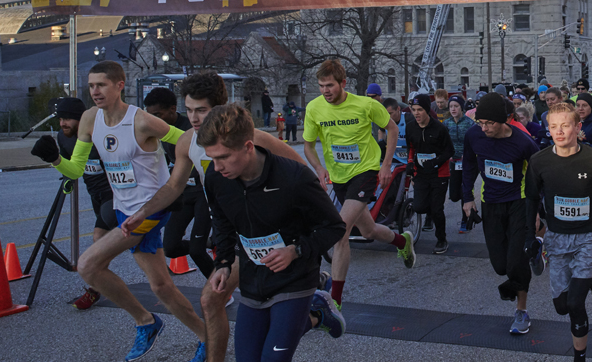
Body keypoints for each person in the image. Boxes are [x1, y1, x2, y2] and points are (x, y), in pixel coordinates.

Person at [122, 71, 305, 362]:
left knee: (230, 301)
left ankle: (311, 304)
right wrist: (142, 212)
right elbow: (172, 186)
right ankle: (313, 306)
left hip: (271, 235)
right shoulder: (186, 142)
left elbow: (301, 173)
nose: (194, 118)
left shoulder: (252, 138)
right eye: (189, 110)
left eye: (201, 111)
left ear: (219, 108)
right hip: (233, 235)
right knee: (214, 300)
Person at [49, 61, 204, 362]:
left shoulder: (142, 121)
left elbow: (185, 138)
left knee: (88, 265)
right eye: (91, 85)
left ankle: (146, 322)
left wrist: (184, 176)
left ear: (120, 85)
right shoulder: (90, 120)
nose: (95, 91)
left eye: (102, 85)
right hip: (123, 209)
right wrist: (54, 158)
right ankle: (207, 336)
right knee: (161, 286)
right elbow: (76, 169)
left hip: (151, 209)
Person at [200, 104, 347, 362]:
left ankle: (312, 307)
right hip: (253, 280)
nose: (216, 166)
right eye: (212, 158)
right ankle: (318, 315)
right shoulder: (215, 178)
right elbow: (222, 222)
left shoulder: (294, 178)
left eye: (223, 157)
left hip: (295, 279)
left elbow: (334, 227)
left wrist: (296, 250)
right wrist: (223, 262)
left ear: (248, 146)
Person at [303, 60, 414, 307]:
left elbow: (392, 130)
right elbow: (308, 145)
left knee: (340, 230)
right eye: (321, 86)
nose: (325, 91)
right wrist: (319, 168)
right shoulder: (314, 108)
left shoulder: (365, 105)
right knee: (368, 230)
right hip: (340, 176)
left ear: (343, 83)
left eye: (330, 85)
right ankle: (402, 241)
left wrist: (385, 165)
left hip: (365, 171)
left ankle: (335, 302)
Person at [525, 102, 592, 361]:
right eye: (553, 127)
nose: (559, 132)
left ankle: (579, 357)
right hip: (557, 239)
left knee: (574, 303)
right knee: (561, 307)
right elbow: (532, 199)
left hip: (590, 238)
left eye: (565, 126)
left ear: (578, 127)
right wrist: (531, 236)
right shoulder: (539, 161)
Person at [461, 92, 540, 334]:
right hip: (491, 202)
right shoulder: (474, 135)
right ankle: (534, 251)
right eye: (480, 123)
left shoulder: (523, 142)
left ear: (503, 121)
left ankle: (522, 311)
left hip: (519, 202)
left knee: (516, 262)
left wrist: (537, 211)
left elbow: (538, 177)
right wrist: (467, 198)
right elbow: (469, 164)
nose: (484, 128)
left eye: (489, 123)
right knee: (499, 265)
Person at [29, 95, 116, 310]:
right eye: (60, 119)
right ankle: (100, 285)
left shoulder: (99, 135)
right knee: (113, 242)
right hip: (94, 192)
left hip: (115, 194)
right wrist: (66, 175)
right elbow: (72, 167)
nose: (63, 124)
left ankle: (96, 288)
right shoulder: (63, 137)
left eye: (68, 119)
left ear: (82, 119)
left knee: (100, 238)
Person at [142, 87, 214, 281]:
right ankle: (211, 243)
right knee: (171, 248)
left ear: (173, 109)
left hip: (203, 193)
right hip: (183, 193)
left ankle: (221, 290)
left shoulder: (190, 130)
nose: (154, 119)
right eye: (151, 115)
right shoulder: (160, 131)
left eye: (158, 114)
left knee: (197, 251)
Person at [404, 93, 455, 253]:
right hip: (421, 173)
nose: (416, 113)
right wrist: (410, 164)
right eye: (414, 110)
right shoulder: (411, 127)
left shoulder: (439, 128)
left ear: (427, 110)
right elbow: (411, 148)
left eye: (420, 110)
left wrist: (436, 162)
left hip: (439, 174)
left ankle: (441, 239)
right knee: (419, 207)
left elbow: (449, 151)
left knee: (436, 209)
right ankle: (428, 213)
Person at [446, 94, 477, 233]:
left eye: (456, 106)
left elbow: (475, 141)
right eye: (451, 106)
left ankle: (465, 220)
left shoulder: (470, 124)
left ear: (461, 108)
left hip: (467, 162)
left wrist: (469, 153)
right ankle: (469, 207)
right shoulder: (446, 124)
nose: (453, 109)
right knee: (454, 195)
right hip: (453, 162)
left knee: (465, 191)